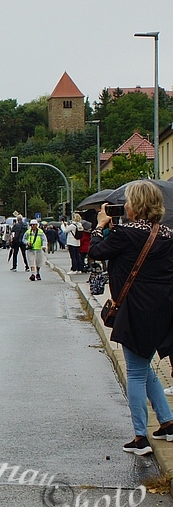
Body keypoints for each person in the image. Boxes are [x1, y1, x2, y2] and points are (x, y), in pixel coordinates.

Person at [88, 180, 173, 455]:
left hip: (135, 310)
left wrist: (100, 225)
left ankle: (139, 438)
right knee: (144, 368)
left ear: (134, 205)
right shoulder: (167, 234)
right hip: (163, 310)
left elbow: (95, 251)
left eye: (127, 201)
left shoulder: (126, 234)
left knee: (135, 373)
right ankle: (168, 423)